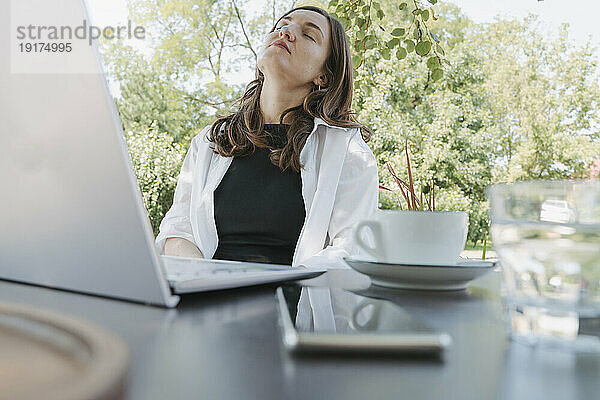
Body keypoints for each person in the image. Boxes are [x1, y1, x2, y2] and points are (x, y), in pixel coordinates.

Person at [155, 5, 378, 269]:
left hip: (290, 304)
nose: (286, 31)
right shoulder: (210, 142)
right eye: (281, 25)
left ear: (324, 76)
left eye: (309, 34)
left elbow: (350, 247)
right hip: (206, 299)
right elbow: (179, 228)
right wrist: (204, 283)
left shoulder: (347, 150)